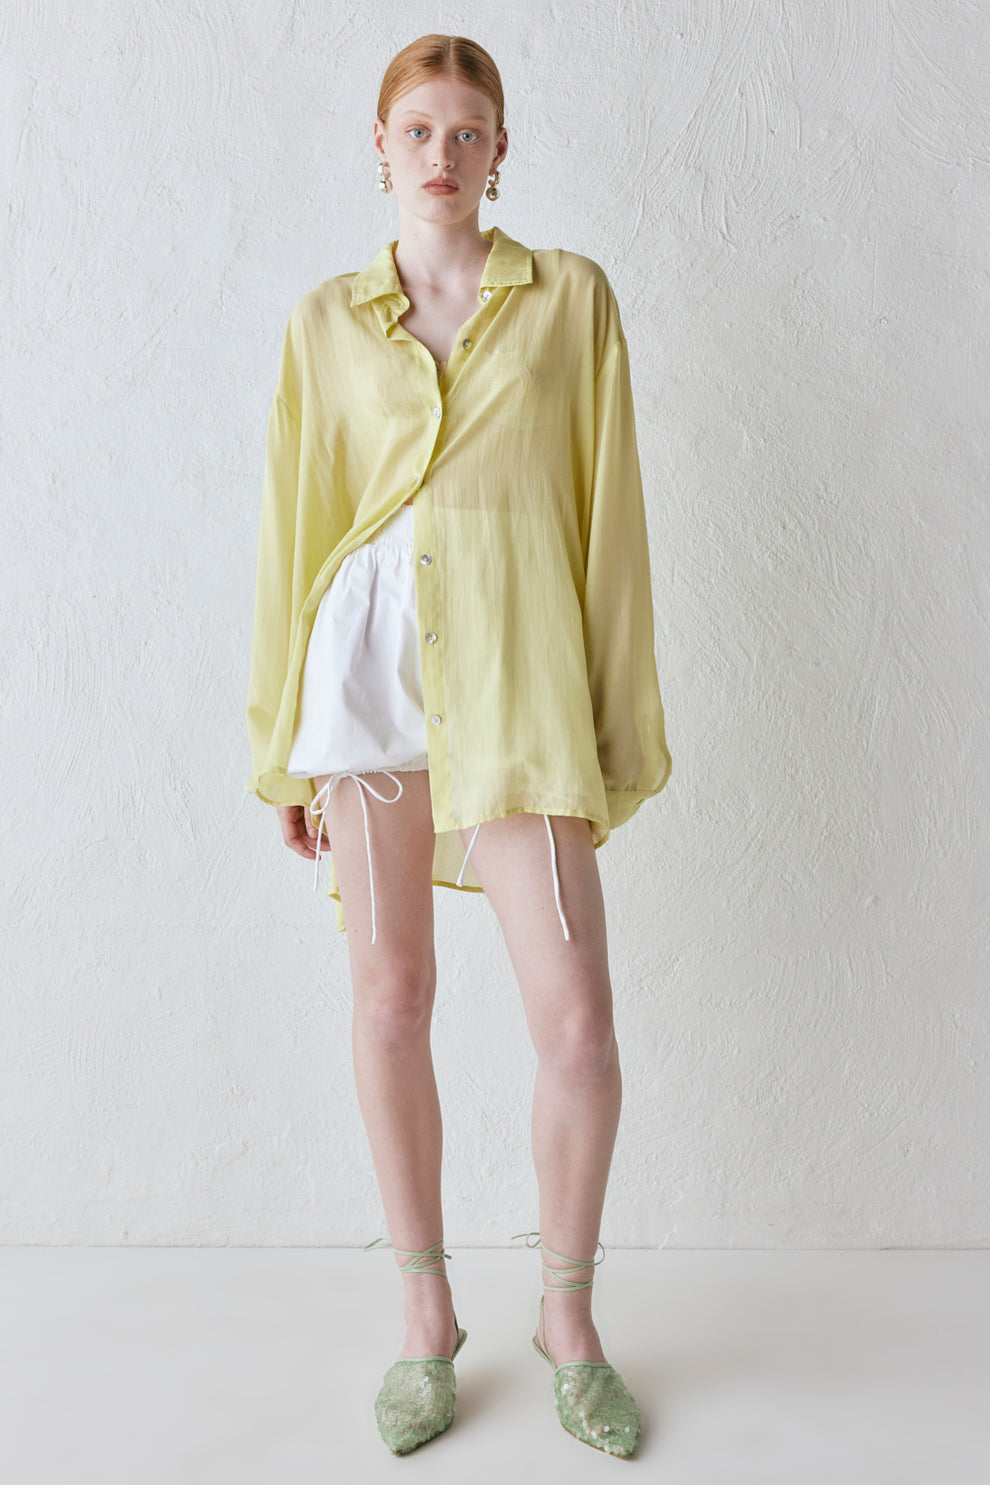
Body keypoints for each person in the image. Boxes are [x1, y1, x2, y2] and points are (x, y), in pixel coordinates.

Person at [245, 33, 671, 1459]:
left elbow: (607, 516)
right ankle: (424, 1320)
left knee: (579, 1028)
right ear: (380, 148)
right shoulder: (324, 322)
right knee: (389, 998)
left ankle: (568, 1318)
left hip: (521, 678)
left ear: (502, 149)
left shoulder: (571, 300)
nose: (443, 154)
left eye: (468, 130)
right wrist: (282, 744)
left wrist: (612, 722)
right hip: (365, 685)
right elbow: (296, 531)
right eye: (418, 129)